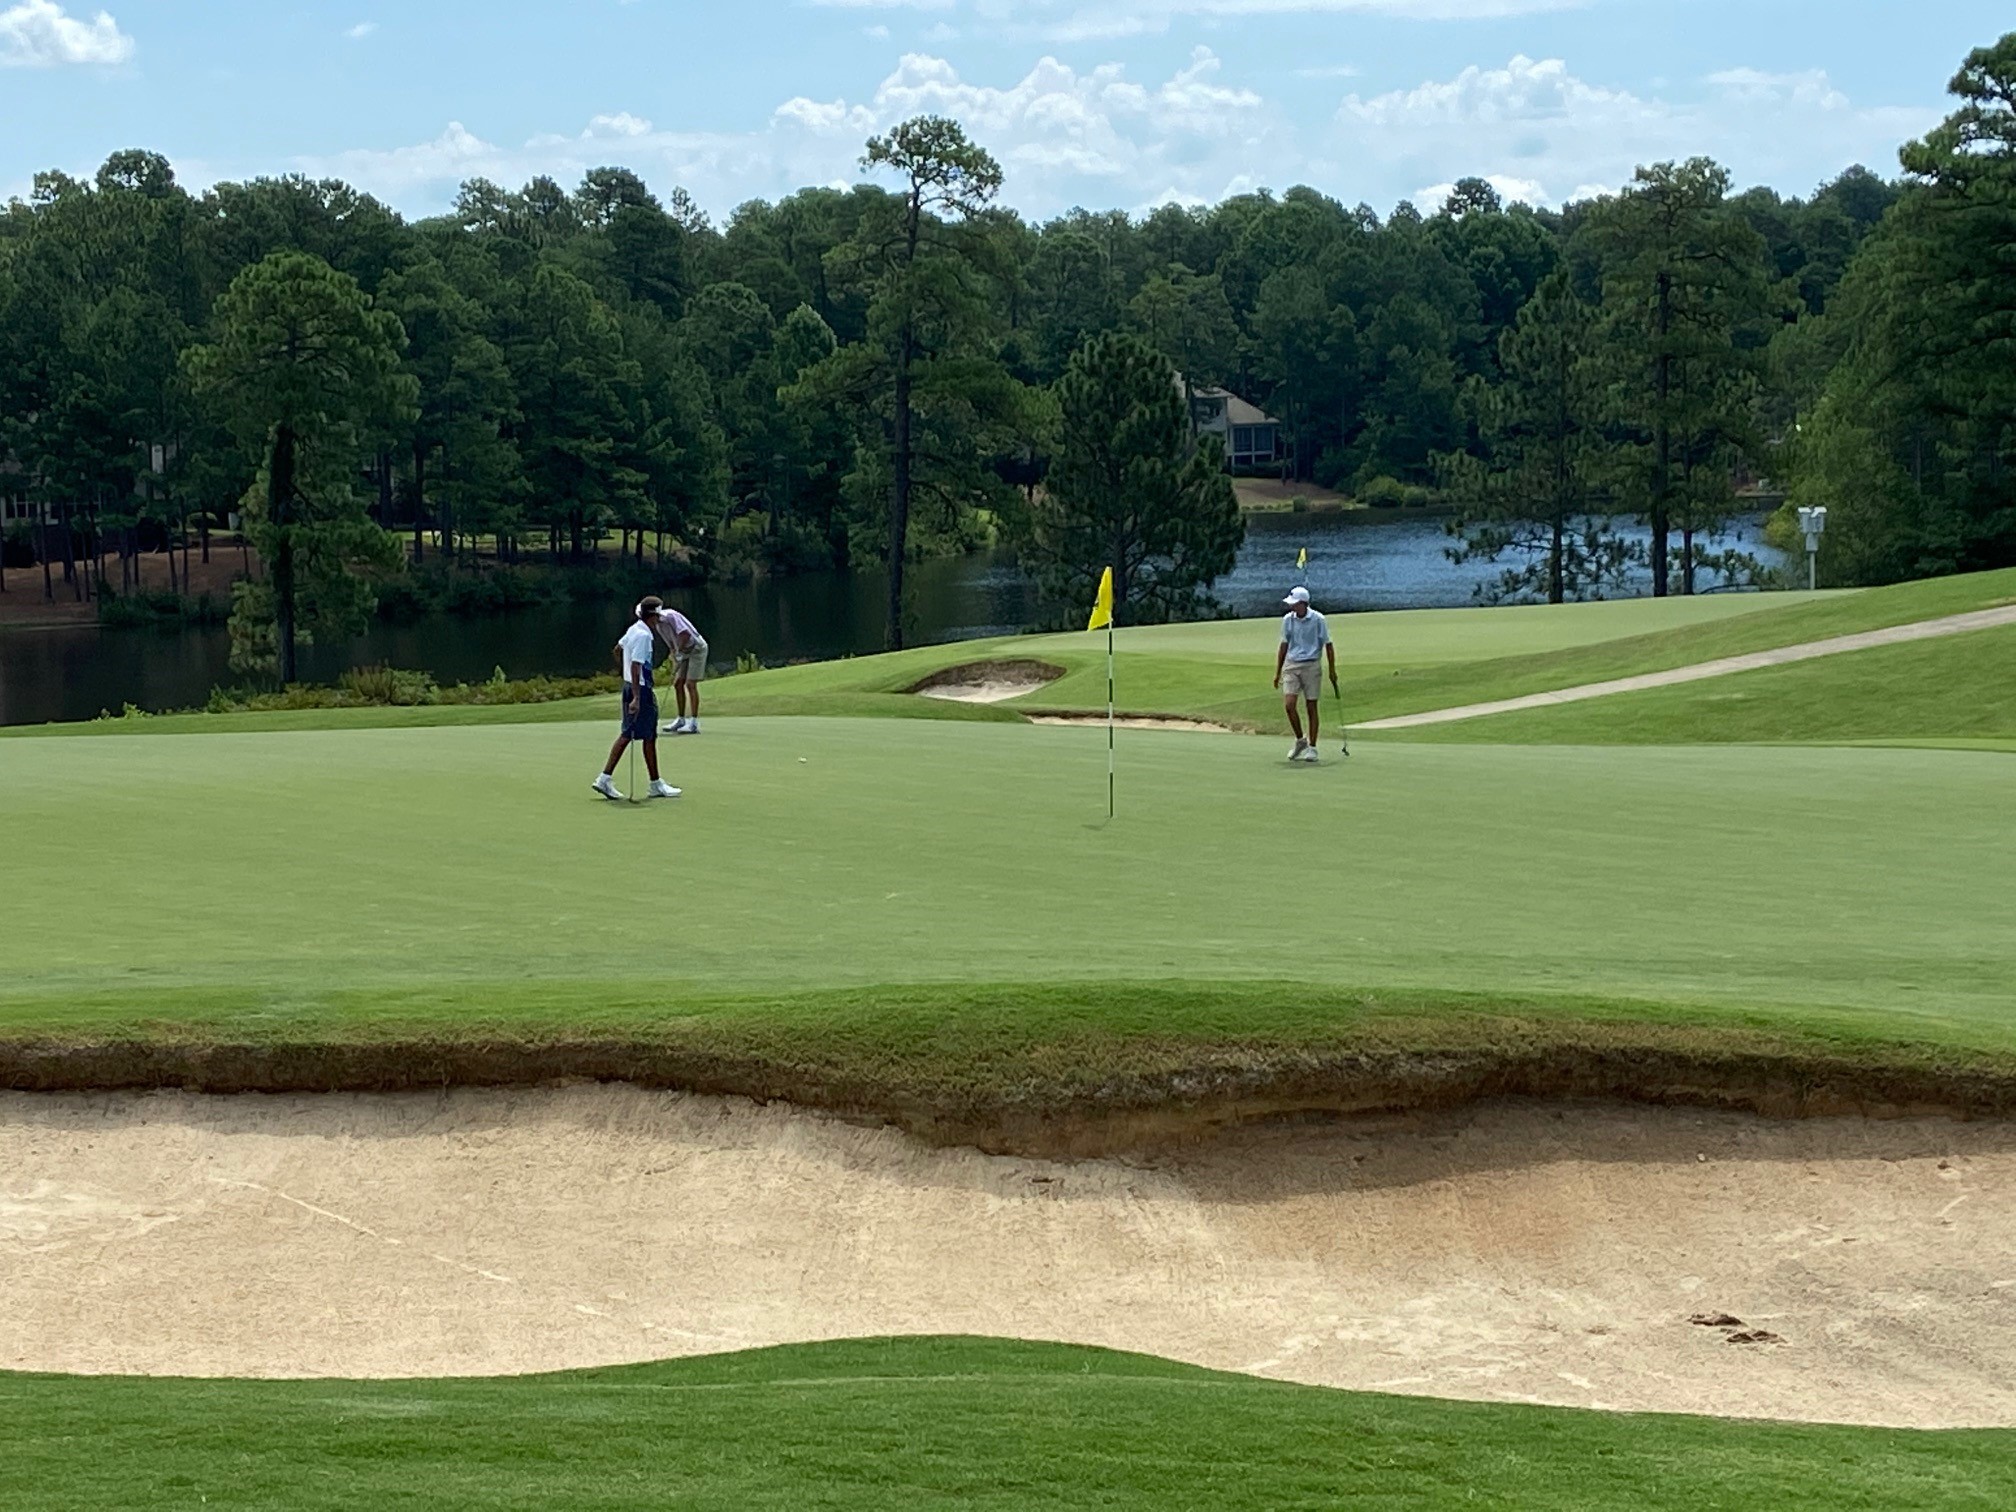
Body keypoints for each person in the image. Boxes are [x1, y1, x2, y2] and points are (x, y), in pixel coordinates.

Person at [593, 598, 681, 801]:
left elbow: (618, 649)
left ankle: (655, 782)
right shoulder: (643, 636)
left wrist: (623, 674)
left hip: (631, 687)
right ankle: (605, 778)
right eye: (658, 616)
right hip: (639, 689)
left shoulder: (634, 629)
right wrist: (636, 697)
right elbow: (636, 666)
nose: (659, 619)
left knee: (647, 735)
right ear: (654, 616)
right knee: (629, 734)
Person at [1273, 585, 1338, 763]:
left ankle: (1313, 747)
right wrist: (1277, 672)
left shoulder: (1318, 619)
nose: (1292, 607)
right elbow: (1284, 645)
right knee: (1289, 705)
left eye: (1295, 604)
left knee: (1311, 707)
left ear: (1303, 604)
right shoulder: (1288, 620)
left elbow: (1328, 645)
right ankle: (1300, 739)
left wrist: (1332, 670)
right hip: (1291, 665)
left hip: (1312, 665)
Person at [651, 605, 710, 735]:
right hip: (683, 651)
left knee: (690, 684)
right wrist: (675, 659)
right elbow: (671, 645)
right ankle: (681, 720)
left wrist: (679, 651)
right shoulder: (659, 626)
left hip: (696, 649)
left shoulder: (671, 616)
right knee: (678, 683)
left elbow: (685, 634)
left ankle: (694, 723)